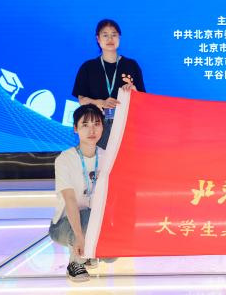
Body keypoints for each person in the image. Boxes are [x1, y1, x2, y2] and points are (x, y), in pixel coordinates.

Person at [49, 104, 114, 281]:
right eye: (85, 125)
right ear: (75, 129)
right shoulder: (65, 159)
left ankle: (90, 252)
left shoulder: (107, 157)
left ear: (103, 127)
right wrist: (79, 236)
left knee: (111, 255)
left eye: (97, 124)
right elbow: (70, 200)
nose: (92, 130)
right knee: (86, 217)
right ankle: (75, 262)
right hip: (64, 226)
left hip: (95, 220)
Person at [73, 19, 145, 149]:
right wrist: (101, 103)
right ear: (98, 38)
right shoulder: (88, 67)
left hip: (126, 125)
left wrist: (134, 90)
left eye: (114, 35)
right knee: (99, 160)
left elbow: (143, 100)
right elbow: (82, 100)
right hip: (98, 125)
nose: (110, 39)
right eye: (105, 35)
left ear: (119, 37)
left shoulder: (131, 65)